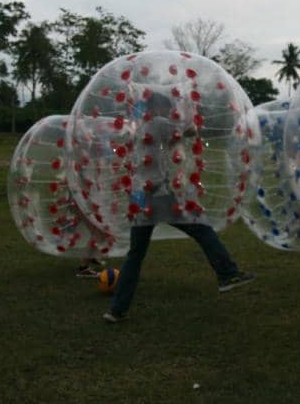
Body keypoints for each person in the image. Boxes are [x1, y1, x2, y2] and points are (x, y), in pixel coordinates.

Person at [103, 88, 254, 323]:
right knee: (202, 228)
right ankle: (227, 274)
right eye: (167, 107)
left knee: (135, 255)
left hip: (140, 198)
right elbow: (189, 131)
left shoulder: (140, 127)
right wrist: (192, 112)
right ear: (158, 108)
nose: (170, 111)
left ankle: (117, 309)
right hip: (160, 197)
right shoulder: (159, 123)